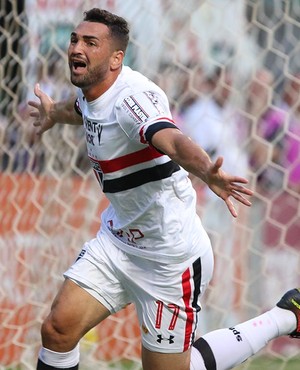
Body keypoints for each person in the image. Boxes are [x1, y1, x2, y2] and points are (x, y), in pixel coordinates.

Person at [28, 8, 300, 370]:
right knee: (58, 329)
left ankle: (285, 317)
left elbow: (170, 139)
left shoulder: (133, 99)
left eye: (90, 43)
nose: (77, 48)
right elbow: (80, 109)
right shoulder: (94, 90)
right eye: (75, 39)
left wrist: (207, 172)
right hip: (118, 241)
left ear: (115, 59)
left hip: (169, 257)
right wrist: (53, 113)